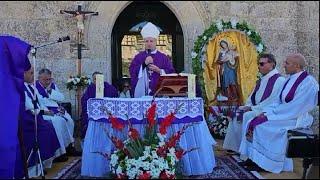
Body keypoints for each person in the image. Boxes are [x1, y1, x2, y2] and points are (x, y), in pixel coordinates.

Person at [238, 53, 319, 173]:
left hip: (296, 117)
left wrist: (270, 115)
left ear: (296, 65)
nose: (284, 66)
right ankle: (253, 158)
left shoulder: (308, 83)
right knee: (252, 121)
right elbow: (277, 101)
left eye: (287, 63)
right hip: (283, 114)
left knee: (263, 126)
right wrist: (267, 111)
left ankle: (266, 163)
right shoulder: (289, 80)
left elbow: (296, 107)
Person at [223, 53, 286, 154]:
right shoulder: (262, 80)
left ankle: (247, 151)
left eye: (261, 64)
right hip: (256, 108)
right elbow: (252, 96)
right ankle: (236, 146)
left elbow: (272, 101)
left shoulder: (279, 80)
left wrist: (252, 109)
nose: (259, 66)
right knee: (237, 112)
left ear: (272, 65)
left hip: (266, 111)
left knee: (247, 115)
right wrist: (248, 106)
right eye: (258, 64)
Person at [19, 66, 61, 178]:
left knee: (50, 127)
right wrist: (43, 112)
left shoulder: (32, 87)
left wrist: (46, 110)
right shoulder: (21, 88)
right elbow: (29, 106)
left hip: (37, 115)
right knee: (45, 130)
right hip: (27, 118)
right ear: (23, 74)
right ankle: (35, 166)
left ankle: (43, 162)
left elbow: (40, 102)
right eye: (31, 73)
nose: (33, 76)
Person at [36, 68, 80, 156]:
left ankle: (69, 147)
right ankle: (61, 151)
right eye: (45, 80)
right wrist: (50, 108)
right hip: (46, 111)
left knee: (70, 121)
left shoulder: (52, 86)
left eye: (49, 79)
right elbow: (40, 102)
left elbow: (61, 97)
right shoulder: (35, 87)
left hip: (57, 109)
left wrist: (50, 91)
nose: (48, 82)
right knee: (59, 123)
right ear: (39, 78)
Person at [129, 22, 175, 97]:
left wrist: (159, 71)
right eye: (146, 41)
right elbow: (132, 71)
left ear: (155, 42)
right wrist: (144, 64)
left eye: (151, 41)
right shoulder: (139, 57)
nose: (149, 43)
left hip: (159, 94)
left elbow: (171, 73)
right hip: (142, 95)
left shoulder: (163, 57)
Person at [80, 72, 118, 140]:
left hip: (107, 112)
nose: (96, 81)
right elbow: (84, 100)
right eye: (95, 79)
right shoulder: (90, 88)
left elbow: (115, 98)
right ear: (93, 80)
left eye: (98, 79)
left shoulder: (109, 87)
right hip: (93, 112)